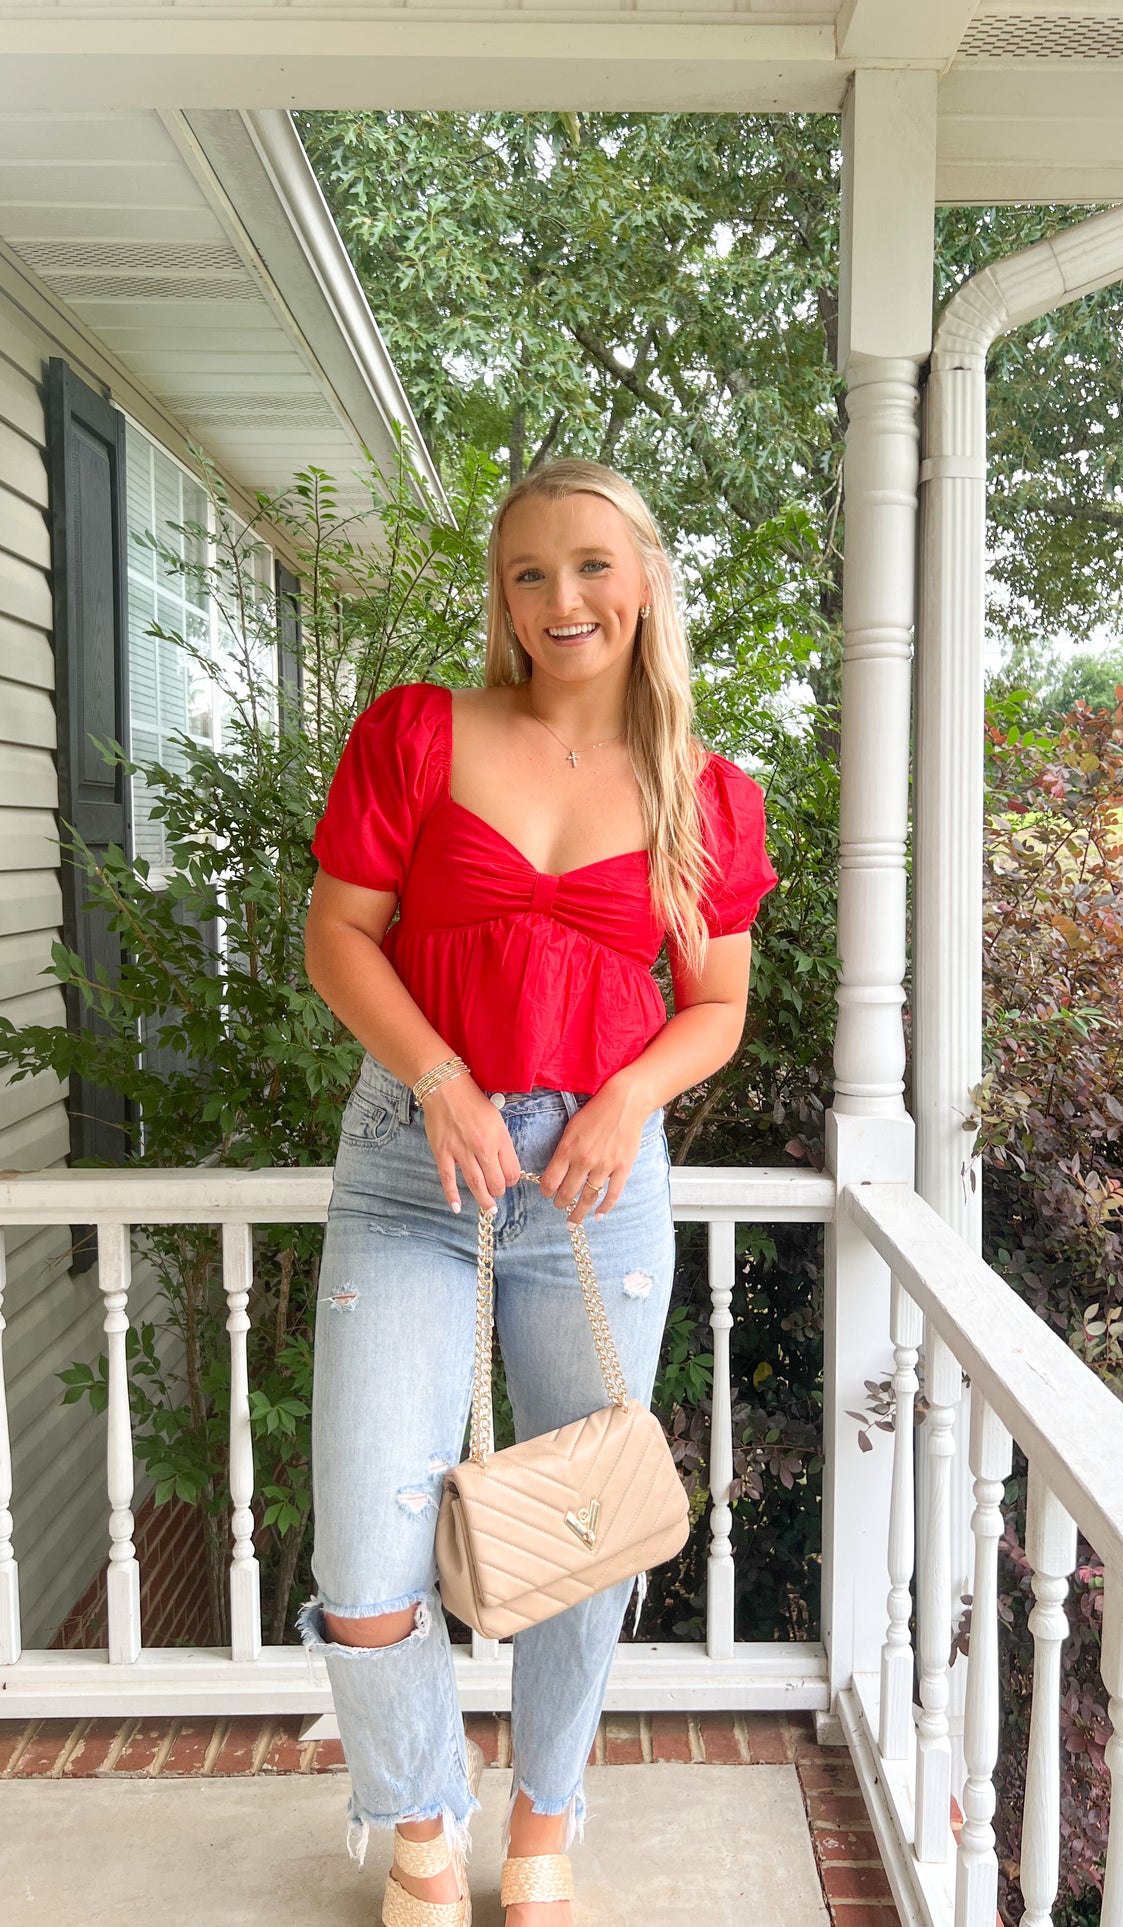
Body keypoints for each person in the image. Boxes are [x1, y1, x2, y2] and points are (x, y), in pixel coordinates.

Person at [296, 458, 778, 1927]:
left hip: (593, 1182)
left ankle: (547, 1823)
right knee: (364, 1553)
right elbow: (337, 936)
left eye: (590, 565)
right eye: (528, 572)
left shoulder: (706, 793)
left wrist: (627, 1098)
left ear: (646, 581)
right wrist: (440, 1076)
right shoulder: (417, 733)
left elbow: (715, 1007)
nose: (560, 598)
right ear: (502, 599)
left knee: (584, 1532)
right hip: (413, 1164)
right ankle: (423, 1822)